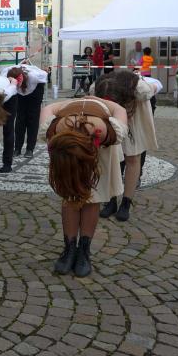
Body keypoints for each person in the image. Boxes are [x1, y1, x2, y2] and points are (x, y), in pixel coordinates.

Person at [41, 95, 129, 277]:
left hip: (98, 147)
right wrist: (66, 104)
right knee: (70, 195)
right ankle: (69, 248)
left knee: (93, 195)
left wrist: (100, 101)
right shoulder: (54, 129)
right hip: (67, 145)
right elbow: (48, 109)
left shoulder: (107, 132)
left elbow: (119, 110)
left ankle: (84, 250)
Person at [97, 71, 160, 222]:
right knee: (110, 159)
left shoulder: (140, 89)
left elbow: (156, 86)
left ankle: (126, 202)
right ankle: (110, 200)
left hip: (133, 120)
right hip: (110, 121)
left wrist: (149, 83)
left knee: (132, 158)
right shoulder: (97, 87)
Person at [2, 63, 48, 158]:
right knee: (20, 117)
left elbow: (45, 75)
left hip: (36, 88)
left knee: (33, 117)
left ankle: (30, 148)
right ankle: (17, 148)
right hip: (19, 85)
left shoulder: (35, 77)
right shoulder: (5, 74)